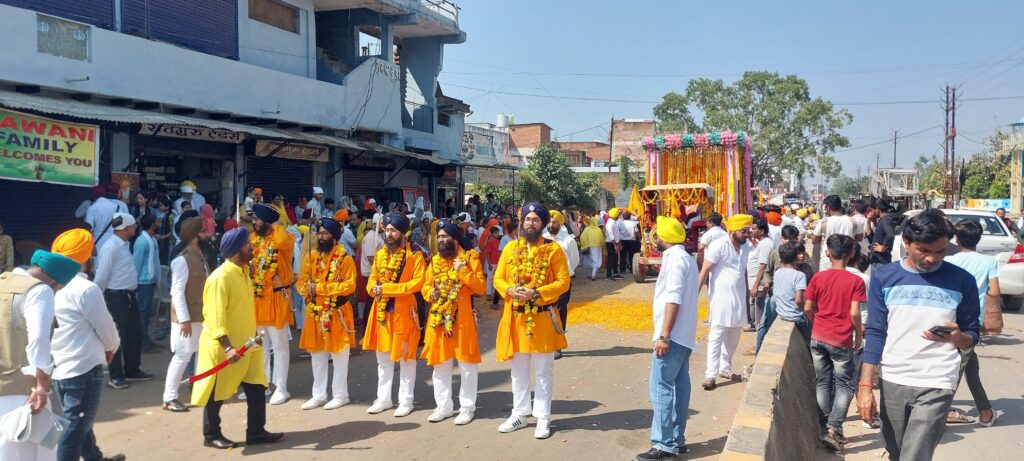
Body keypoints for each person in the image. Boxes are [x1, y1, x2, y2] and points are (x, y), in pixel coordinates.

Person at [857, 209, 981, 461]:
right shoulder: (884, 277)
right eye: (923, 250)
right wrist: (865, 386)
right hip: (894, 377)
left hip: (938, 379)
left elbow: (972, 334)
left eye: (939, 252)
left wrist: (958, 338)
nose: (931, 258)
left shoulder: (962, 281)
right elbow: (876, 333)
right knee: (896, 452)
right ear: (906, 243)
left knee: (914, 457)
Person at [192, 228, 283, 449]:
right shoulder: (220, 277)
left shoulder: (244, 272)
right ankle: (211, 434)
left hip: (248, 345)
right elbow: (215, 315)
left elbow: (243, 310)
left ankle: (256, 431)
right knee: (216, 392)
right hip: (225, 347)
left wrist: (253, 337)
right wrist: (227, 347)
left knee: (256, 388)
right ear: (234, 251)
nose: (250, 248)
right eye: (246, 246)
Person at [493, 203, 571, 439]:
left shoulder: (553, 250)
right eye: (527, 219)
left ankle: (543, 418)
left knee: (543, 371)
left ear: (544, 223)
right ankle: (519, 413)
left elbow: (563, 282)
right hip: (516, 318)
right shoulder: (510, 249)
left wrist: (535, 293)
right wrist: (509, 290)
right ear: (521, 221)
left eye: (536, 220)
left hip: (543, 319)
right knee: (518, 371)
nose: (530, 223)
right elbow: (498, 278)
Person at [49, 229, 125, 461]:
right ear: (86, 258)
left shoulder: (52, 287)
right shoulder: (86, 289)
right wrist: (111, 348)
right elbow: (107, 329)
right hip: (83, 367)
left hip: (61, 366)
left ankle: (94, 457)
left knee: (81, 421)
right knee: (75, 427)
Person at [0, 248, 79, 461]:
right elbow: (38, 340)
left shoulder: (3, 280)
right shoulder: (39, 290)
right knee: (38, 451)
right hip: (23, 392)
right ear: (53, 281)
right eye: (59, 289)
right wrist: (43, 387)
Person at [638, 217, 699, 461]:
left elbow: (673, 299)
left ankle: (663, 445)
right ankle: (677, 440)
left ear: (662, 238)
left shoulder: (675, 260)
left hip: (672, 337)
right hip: (684, 336)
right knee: (680, 386)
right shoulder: (687, 258)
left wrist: (664, 336)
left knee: (661, 388)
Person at [803, 234, 865, 451]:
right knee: (845, 384)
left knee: (822, 382)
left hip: (818, 336)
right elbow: (855, 313)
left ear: (828, 253)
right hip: (841, 339)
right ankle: (834, 428)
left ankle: (823, 427)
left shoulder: (818, 278)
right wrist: (858, 334)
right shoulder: (856, 281)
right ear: (851, 255)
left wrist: (816, 324)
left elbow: (808, 307)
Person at [420, 220, 486, 425]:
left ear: (455, 239)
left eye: (445, 236)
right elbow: (425, 287)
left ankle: (467, 408)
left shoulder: (469, 258)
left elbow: (481, 287)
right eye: (439, 236)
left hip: (463, 317)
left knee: (466, 364)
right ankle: (443, 407)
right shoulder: (435, 261)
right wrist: (431, 293)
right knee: (440, 363)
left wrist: (462, 271)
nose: (442, 239)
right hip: (439, 318)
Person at [362, 213, 425, 417]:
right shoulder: (380, 255)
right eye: (387, 230)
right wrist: (374, 289)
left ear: (402, 233)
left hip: (404, 312)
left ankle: (406, 400)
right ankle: (384, 399)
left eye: (393, 230)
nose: (389, 234)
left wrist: (388, 289)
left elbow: (418, 283)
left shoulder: (414, 255)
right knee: (383, 358)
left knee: (406, 357)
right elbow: (372, 280)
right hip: (381, 312)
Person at [296, 218, 356, 411]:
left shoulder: (345, 258)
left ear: (334, 236)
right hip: (315, 313)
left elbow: (349, 286)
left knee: (339, 354)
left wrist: (320, 288)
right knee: (317, 354)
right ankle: (318, 395)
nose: (321, 237)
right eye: (319, 233)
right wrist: (308, 290)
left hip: (336, 312)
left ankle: (341, 394)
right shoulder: (311, 257)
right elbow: (300, 283)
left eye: (325, 233)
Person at [944, 220, 998, 427]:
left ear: (957, 239)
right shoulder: (988, 262)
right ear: (979, 238)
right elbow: (995, 291)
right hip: (973, 320)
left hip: (951, 317)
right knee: (962, 366)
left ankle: (984, 411)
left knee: (967, 366)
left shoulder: (951, 261)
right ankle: (981, 412)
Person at [94, 213, 153, 388]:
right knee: (117, 336)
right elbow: (102, 276)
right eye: (133, 226)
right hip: (115, 296)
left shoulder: (123, 245)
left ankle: (132, 369)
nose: (136, 228)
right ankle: (116, 374)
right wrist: (99, 298)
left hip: (128, 295)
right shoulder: (111, 247)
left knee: (133, 333)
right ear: (126, 229)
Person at [698, 214, 752, 391]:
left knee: (734, 337)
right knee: (716, 337)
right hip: (721, 301)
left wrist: (748, 291)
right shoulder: (719, 245)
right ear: (733, 230)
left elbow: (742, 272)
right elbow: (704, 270)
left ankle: (725, 368)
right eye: (744, 231)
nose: (747, 234)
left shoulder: (746, 247)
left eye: (748, 231)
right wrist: (694, 295)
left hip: (739, 300)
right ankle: (710, 375)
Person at [160, 217, 208, 412]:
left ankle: (199, 390)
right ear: (195, 236)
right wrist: (184, 320)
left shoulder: (199, 255)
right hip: (187, 319)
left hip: (200, 315)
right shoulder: (182, 259)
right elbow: (176, 292)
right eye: (204, 231)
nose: (207, 234)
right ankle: (170, 397)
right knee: (182, 356)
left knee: (198, 355)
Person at [249, 204, 295, 405]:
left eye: (257, 219)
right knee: (260, 345)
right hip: (258, 298)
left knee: (280, 346)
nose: (253, 222)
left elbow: (282, 239)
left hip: (277, 299)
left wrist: (274, 223)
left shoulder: (281, 239)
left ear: (268, 222)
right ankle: (263, 384)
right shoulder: (254, 239)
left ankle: (281, 388)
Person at [543, 210, 579, 360]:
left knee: (559, 310)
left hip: (563, 281)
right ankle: (546, 342)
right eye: (550, 222)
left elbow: (575, 261)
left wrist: (564, 273)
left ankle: (558, 345)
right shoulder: (543, 238)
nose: (552, 225)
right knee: (545, 311)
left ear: (560, 223)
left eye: (555, 222)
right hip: (545, 281)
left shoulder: (568, 240)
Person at [132, 213, 161, 352]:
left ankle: (146, 339)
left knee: (146, 312)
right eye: (156, 221)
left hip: (148, 280)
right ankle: (143, 341)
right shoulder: (142, 242)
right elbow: (136, 263)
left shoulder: (150, 239)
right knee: (143, 312)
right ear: (152, 224)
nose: (158, 223)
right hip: (143, 282)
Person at [811, 195, 859, 271]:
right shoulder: (852, 221)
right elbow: (859, 238)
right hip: (847, 260)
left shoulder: (824, 222)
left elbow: (814, 241)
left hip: (828, 260)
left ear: (827, 208)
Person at [745, 219, 774, 334]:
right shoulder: (762, 243)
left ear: (762, 231)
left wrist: (756, 285)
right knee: (757, 311)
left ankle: (760, 339)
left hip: (760, 284)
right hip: (755, 281)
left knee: (760, 315)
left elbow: (763, 266)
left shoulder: (765, 244)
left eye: (754, 228)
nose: (751, 231)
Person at [357, 213, 384, 328]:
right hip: (370, 273)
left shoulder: (377, 236)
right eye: (383, 223)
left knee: (373, 301)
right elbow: (370, 257)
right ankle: (367, 328)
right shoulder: (371, 237)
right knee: (370, 301)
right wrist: (380, 272)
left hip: (375, 273)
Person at [86, 183, 129, 249]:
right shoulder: (117, 207)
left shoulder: (92, 208)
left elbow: (89, 228)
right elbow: (119, 226)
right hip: (114, 242)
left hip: (98, 243)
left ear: (93, 196)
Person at [869, 197, 898, 271]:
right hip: (877, 260)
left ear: (878, 209)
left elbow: (891, 235)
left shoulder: (885, 220)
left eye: (874, 210)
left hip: (881, 261)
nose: (873, 212)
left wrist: (883, 247)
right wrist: (868, 222)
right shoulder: (882, 220)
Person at [481, 225, 503, 308]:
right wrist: (489, 263)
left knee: (495, 278)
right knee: (490, 278)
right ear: (492, 233)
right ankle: (488, 293)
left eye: (497, 232)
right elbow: (487, 253)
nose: (497, 234)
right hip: (492, 262)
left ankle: (494, 293)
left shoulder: (497, 241)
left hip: (497, 262)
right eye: (495, 232)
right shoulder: (490, 241)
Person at [579, 216, 604, 281]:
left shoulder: (587, 229)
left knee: (589, 261)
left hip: (588, 247)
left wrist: (584, 244)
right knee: (596, 261)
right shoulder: (598, 229)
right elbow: (601, 239)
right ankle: (593, 276)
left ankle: (589, 275)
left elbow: (582, 237)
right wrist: (602, 245)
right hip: (596, 247)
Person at [604, 208, 624, 280]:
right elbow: (611, 235)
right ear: (616, 215)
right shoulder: (610, 222)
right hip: (610, 243)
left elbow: (617, 234)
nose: (619, 215)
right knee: (611, 259)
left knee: (615, 258)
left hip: (615, 242)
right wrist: (615, 245)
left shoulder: (613, 221)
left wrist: (619, 243)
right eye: (619, 214)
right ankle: (608, 275)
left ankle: (615, 273)